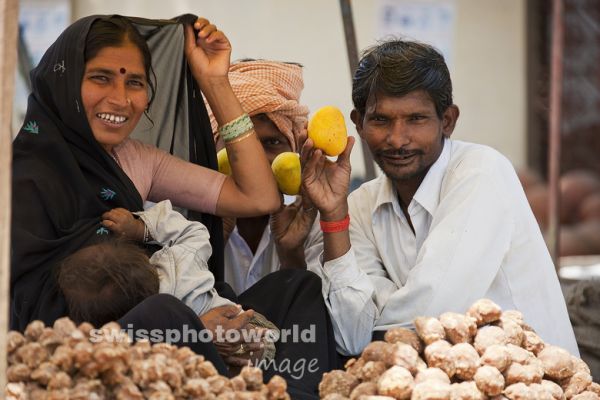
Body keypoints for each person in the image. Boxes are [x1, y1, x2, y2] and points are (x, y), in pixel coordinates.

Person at [300, 39, 579, 356]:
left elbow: (431, 311)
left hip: (533, 383)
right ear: (359, 124)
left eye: (416, 119)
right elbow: (351, 337)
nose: (397, 140)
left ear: (447, 121)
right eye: (381, 120)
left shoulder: (480, 173)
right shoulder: (359, 206)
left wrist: (372, 313)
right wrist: (334, 217)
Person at [11, 14, 279, 331]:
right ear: (65, 81)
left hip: (168, 323)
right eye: (101, 77)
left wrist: (214, 82)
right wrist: (192, 330)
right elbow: (30, 304)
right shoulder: (20, 175)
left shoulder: (138, 160)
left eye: (135, 82)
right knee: (163, 311)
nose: (121, 99)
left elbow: (259, 198)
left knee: (295, 287)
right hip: (86, 348)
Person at [57, 200, 270, 369]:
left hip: (219, 364)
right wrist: (141, 228)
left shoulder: (146, 339)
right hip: (253, 329)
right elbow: (195, 232)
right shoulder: (179, 262)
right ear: (143, 257)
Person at [208, 59, 322, 294]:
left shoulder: (316, 223)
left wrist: (291, 255)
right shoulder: (179, 220)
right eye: (238, 145)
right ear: (212, 148)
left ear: (294, 151)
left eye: (272, 143)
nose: (255, 162)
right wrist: (212, 245)